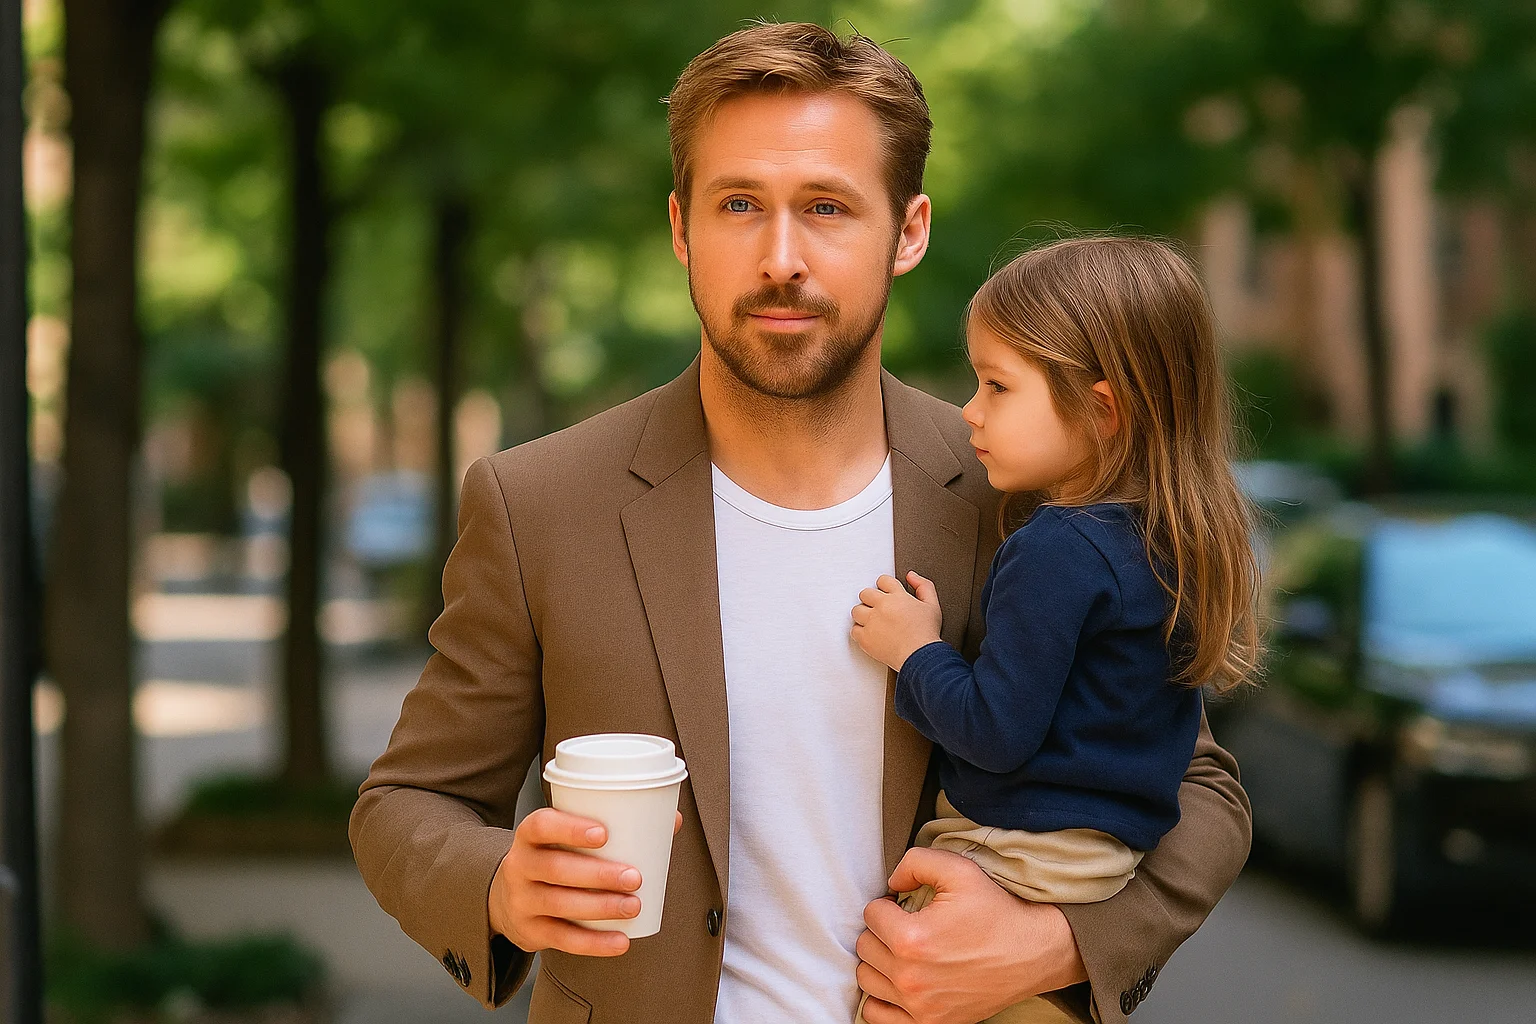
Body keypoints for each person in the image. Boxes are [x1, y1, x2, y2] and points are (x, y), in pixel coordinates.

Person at [349, 23, 1253, 1024]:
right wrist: (499, 884)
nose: (782, 258)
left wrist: (1056, 944)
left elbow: (1200, 782)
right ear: (681, 226)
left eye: (826, 206)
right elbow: (405, 805)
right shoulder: (538, 503)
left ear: (908, 232)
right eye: (740, 204)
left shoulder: (1026, 492)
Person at [850, 237, 1263, 1024]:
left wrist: (915, 650)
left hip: (1009, 864)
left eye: (998, 386)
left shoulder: (1055, 549)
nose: (970, 410)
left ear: (1103, 408)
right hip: (1101, 874)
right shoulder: (1173, 543)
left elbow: (996, 730)